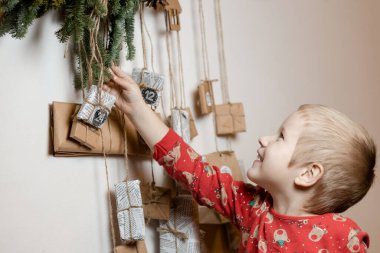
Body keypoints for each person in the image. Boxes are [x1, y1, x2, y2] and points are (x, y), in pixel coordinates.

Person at [104, 65, 376, 253]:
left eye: (280, 137)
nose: (264, 139)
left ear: (307, 174)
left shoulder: (341, 235)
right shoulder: (253, 208)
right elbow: (195, 172)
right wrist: (138, 109)